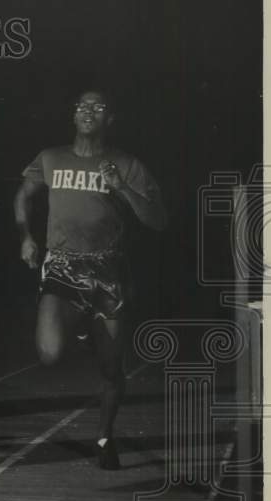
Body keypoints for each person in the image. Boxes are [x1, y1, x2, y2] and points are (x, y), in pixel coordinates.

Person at [15, 89, 167, 470]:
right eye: (82, 105)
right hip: (63, 267)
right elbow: (23, 197)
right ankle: (81, 326)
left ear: (110, 118)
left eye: (98, 107)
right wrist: (26, 237)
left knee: (112, 369)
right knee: (49, 353)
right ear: (73, 114)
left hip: (108, 272)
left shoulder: (126, 164)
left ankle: (104, 436)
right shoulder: (51, 158)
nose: (88, 111)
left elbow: (159, 220)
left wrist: (122, 187)